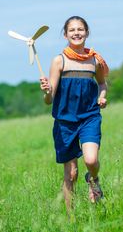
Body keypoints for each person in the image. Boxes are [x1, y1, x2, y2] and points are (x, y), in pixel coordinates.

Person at [40, 16, 108, 212]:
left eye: (80, 29)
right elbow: (49, 99)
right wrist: (46, 91)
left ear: (86, 32)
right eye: (72, 30)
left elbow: (102, 83)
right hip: (65, 122)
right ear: (65, 34)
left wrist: (102, 96)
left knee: (91, 160)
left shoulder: (95, 60)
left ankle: (93, 180)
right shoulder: (59, 61)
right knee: (71, 174)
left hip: (89, 117)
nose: (76, 33)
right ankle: (71, 219)